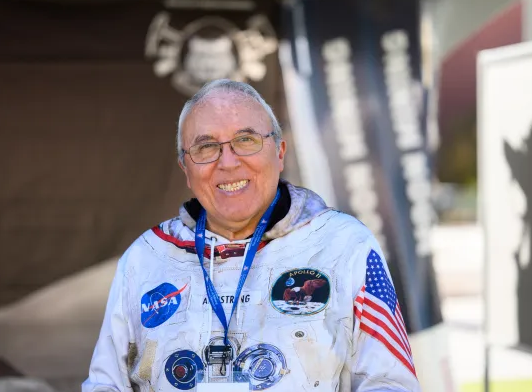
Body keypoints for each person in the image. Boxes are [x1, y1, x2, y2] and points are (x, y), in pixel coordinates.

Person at [82, 79, 421, 392]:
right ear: (186, 169)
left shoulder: (343, 246)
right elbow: (106, 384)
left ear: (280, 152)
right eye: (205, 147)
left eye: (246, 140)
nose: (227, 162)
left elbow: (390, 383)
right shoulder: (147, 258)